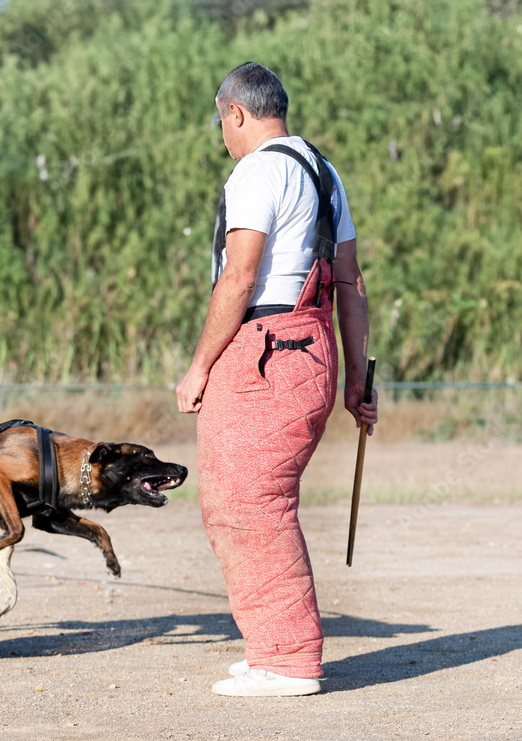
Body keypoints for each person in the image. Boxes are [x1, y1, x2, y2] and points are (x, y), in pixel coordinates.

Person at [176, 62, 379, 697]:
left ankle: (289, 660)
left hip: (268, 350)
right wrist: (356, 381)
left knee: (250, 504)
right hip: (313, 349)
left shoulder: (256, 170)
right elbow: (350, 283)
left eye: (221, 122)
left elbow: (238, 278)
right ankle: (269, 645)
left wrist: (199, 365)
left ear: (235, 112)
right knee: (246, 501)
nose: (222, 135)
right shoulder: (325, 172)